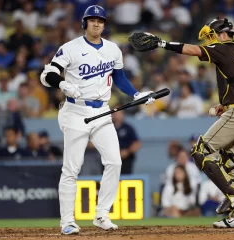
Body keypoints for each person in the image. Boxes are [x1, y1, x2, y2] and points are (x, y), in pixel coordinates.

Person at [130, 17, 234, 228]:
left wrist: (163, 44)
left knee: (200, 151)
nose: (210, 41)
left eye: (211, 36)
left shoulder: (224, 46)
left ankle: (233, 193)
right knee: (230, 163)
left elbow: (193, 50)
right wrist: (225, 104)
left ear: (220, 33)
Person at [39, 5, 156, 235]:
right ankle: (67, 221)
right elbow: (47, 74)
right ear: (85, 23)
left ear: (104, 24)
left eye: (100, 21)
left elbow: (119, 77)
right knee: (71, 169)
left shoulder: (113, 49)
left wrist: (135, 94)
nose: (96, 24)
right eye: (92, 20)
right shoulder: (70, 48)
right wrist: (62, 84)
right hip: (76, 111)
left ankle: (102, 213)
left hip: (102, 111)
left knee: (115, 161)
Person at [112, 109, 141, 175]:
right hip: (110, 160)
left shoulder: (128, 128)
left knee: (125, 180)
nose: (116, 115)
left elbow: (137, 143)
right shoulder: (108, 128)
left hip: (126, 160)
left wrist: (127, 152)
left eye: (118, 113)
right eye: (114, 113)